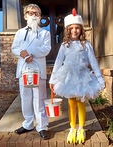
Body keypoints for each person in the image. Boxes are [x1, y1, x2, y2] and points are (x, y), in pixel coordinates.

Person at [49, 8, 105, 144]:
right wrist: (53, 79)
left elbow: (93, 63)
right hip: (68, 78)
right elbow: (57, 63)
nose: (74, 31)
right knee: (71, 102)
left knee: (81, 102)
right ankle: (72, 128)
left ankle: (81, 128)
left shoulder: (86, 45)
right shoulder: (64, 45)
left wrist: (100, 79)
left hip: (82, 77)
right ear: (67, 30)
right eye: (72, 28)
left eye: (77, 28)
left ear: (81, 29)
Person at [11, 3, 51, 140]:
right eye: (30, 13)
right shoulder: (19, 32)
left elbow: (46, 49)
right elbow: (14, 48)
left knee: (39, 98)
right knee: (25, 97)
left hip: (38, 69)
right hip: (23, 69)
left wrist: (29, 53)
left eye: (36, 13)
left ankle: (42, 126)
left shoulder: (45, 33)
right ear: (25, 16)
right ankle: (28, 123)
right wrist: (23, 55)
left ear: (40, 16)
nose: (33, 15)